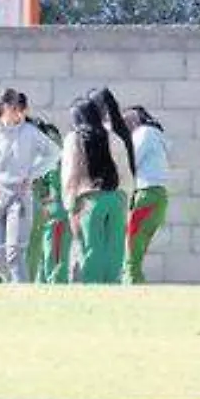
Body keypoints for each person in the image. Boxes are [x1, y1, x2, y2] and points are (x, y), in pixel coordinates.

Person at [0, 89, 60, 283]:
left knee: (15, 252)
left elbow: (53, 153)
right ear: (1, 108)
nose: (14, 110)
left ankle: (22, 292)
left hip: (20, 194)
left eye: (16, 106)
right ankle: (13, 286)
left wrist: (33, 173)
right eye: (10, 106)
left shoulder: (29, 132)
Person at [60, 100, 123, 284]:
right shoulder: (113, 136)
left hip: (89, 200)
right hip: (116, 198)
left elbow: (70, 174)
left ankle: (93, 289)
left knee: (90, 248)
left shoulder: (74, 138)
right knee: (114, 249)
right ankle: (113, 289)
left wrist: (70, 205)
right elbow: (124, 168)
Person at [122, 106, 172, 284]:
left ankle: (131, 281)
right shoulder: (158, 135)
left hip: (146, 194)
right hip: (158, 195)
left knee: (131, 243)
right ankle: (134, 279)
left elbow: (130, 162)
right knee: (138, 244)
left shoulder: (143, 133)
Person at [30, 118, 71, 283]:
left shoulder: (52, 156)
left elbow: (56, 187)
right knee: (43, 257)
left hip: (54, 212)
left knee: (54, 257)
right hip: (44, 212)